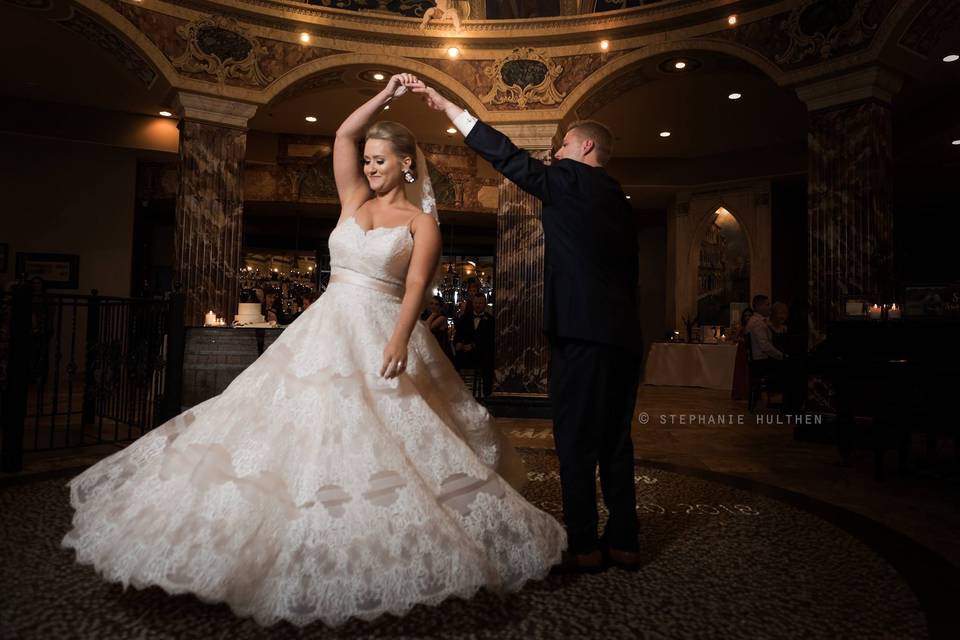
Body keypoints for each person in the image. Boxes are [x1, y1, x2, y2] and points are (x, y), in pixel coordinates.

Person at [62, 73, 564, 628]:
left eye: (380, 159)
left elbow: (418, 287)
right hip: (326, 323)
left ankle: (374, 549)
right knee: (292, 425)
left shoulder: (421, 222)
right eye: (368, 159)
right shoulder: (351, 198)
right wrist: (385, 96)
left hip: (382, 326)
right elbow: (343, 137)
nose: (369, 167)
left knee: (386, 436)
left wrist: (400, 336)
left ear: (405, 164)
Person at [415, 80, 642, 571]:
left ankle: (583, 545)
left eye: (562, 145)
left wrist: (450, 106)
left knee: (576, 442)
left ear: (584, 146)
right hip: (624, 339)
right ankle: (624, 539)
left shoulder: (567, 179)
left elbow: (507, 156)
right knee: (615, 441)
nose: (556, 154)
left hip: (581, 335)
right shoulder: (622, 202)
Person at [454, 293, 495, 397]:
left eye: (480, 303)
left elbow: (489, 340)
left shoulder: (490, 320)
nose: (478, 305)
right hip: (465, 354)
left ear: (485, 304)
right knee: (453, 361)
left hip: (482, 354)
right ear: (472, 303)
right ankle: (457, 393)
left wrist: (473, 346)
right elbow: (458, 334)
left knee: (489, 363)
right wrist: (457, 343)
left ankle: (486, 396)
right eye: (476, 303)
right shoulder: (465, 318)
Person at [731, 307, 753, 402]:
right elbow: (734, 338)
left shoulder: (753, 326)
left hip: (750, 350)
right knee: (740, 370)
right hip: (741, 351)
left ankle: (748, 393)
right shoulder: (742, 327)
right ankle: (739, 393)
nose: (747, 317)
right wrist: (741, 339)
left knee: (748, 371)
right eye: (745, 316)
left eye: (749, 315)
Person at [422, 294, 453, 360]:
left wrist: (433, 314)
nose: (433, 306)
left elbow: (426, 328)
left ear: (440, 307)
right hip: (431, 347)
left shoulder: (442, 318)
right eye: (431, 303)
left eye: (436, 304)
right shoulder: (426, 316)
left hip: (441, 349)